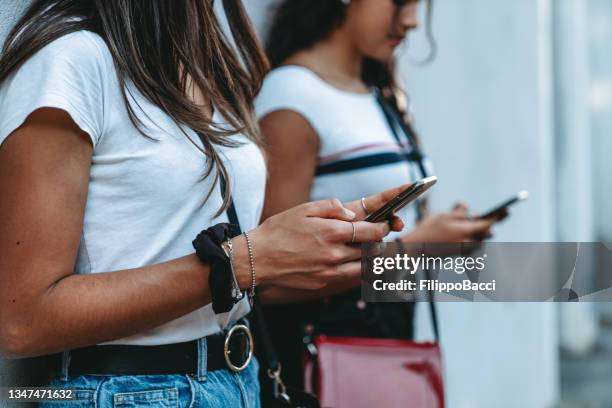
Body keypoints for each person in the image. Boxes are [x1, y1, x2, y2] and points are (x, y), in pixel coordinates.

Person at [0, 1, 406, 406]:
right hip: (128, 391)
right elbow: (21, 321)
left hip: (236, 378)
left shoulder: (202, 60)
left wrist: (322, 233)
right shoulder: (73, 59)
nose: (413, 20)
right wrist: (247, 260)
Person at [255, 0, 498, 394]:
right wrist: (416, 248)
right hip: (323, 357)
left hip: (381, 340)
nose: (413, 21)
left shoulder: (376, 91)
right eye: (400, 2)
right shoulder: (292, 96)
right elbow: (271, 279)